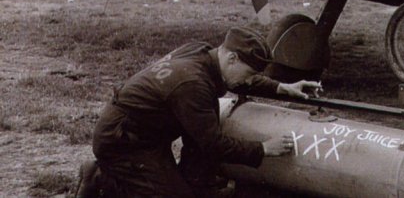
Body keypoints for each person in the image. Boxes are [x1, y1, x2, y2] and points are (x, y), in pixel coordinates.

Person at [75, 26, 322, 197]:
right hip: (124, 143)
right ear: (232, 58)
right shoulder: (193, 85)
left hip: (145, 135)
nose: (248, 81)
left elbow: (238, 80)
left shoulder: (203, 53)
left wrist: (281, 87)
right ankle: (101, 178)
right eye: (248, 74)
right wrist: (263, 149)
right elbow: (212, 144)